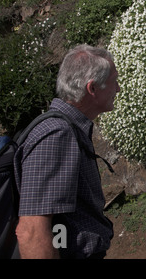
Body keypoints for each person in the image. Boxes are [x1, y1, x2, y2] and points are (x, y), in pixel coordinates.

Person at [14, 44, 120, 259]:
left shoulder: (68, 128)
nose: (118, 89)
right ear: (92, 89)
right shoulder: (56, 135)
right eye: (114, 82)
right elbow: (32, 233)